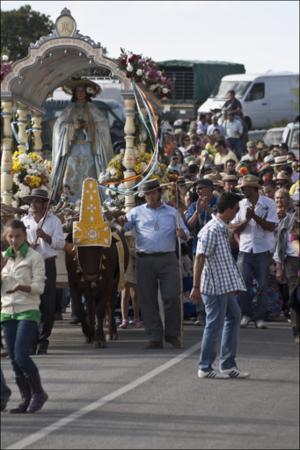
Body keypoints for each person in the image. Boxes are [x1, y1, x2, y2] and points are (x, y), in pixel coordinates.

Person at [121, 179, 189, 349]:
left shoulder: (173, 212)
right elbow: (123, 226)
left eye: (152, 193)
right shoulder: (135, 212)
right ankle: (155, 336)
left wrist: (182, 234)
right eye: (146, 194)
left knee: (172, 296)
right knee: (147, 298)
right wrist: (121, 221)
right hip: (145, 258)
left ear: (159, 193)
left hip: (168, 258)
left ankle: (172, 334)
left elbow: (186, 233)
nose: (149, 196)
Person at [190, 192, 249, 379]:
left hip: (222, 284)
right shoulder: (211, 230)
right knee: (214, 324)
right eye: (236, 209)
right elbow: (199, 258)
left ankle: (227, 364)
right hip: (213, 286)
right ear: (230, 209)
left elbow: (222, 259)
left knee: (233, 316)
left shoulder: (221, 227)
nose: (237, 213)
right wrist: (196, 286)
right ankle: (205, 367)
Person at [1, 220, 48, 413]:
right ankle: (25, 397)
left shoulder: (34, 257)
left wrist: (23, 287)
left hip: (28, 309)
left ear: (25, 236)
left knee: (21, 355)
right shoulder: (4, 258)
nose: (14, 240)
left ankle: (38, 393)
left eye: (18, 236)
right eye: (10, 236)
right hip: (7, 311)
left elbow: (40, 287)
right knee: (13, 359)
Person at [51, 78, 114, 201]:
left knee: (89, 173)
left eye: (82, 91)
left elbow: (103, 125)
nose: (80, 93)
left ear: (86, 93)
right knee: (70, 172)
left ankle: (91, 200)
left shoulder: (92, 108)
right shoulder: (69, 109)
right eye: (78, 91)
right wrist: (72, 127)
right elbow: (58, 126)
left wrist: (89, 126)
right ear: (74, 93)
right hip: (72, 149)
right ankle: (69, 201)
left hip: (88, 148)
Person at [230, 175, 279, 329]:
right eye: (242, 188)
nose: (243, 190)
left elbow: (272, 226)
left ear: (254, 188)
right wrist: (246, 220)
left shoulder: (268, 203)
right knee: (243, 284)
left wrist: (255, 217)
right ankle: (246, 314)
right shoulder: (240, 204)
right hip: (245, 250)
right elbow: (233, 229)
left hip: (263, 250)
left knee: (262, 285)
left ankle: (260, 317)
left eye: (246, 188)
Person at [21, 188, 65, 354]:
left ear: (45, 204)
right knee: (31, 303)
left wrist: (46, 237)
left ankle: (43, 338)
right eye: (32, 200)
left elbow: (60, 244)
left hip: (47, 264)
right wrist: (27, 247)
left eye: (37, 200)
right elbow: (17, 243)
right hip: (30, 266)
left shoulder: (54, 221)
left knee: (47, 305)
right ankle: (31, 339)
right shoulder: (24, 221)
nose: (33, 203)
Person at [274, 193, 300, 344]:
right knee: (294, 296)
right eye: (297, 204)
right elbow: (279, 244)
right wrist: (279, 266)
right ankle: (297, 331)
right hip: (292, 261)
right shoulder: (287, 222)